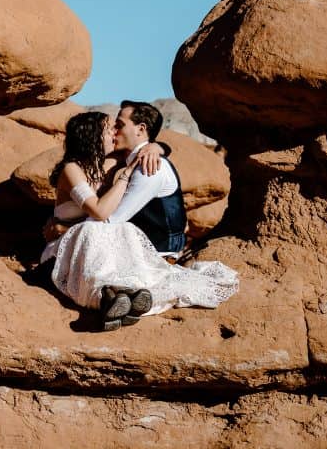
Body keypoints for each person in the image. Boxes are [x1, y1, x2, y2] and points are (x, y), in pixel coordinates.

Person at [42, 107, 238, 330]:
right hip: (65, 247)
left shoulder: (111, 163)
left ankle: (121, 296)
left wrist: (157, 147)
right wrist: (125, 176)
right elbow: (99, 212)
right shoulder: (73, 169)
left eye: (118, 126)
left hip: (89, 240)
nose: (115, 132)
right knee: (98, 229)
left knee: (119, 229)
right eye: (110, 129)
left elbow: (149, 148)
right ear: (93, 136)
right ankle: (104, 299)